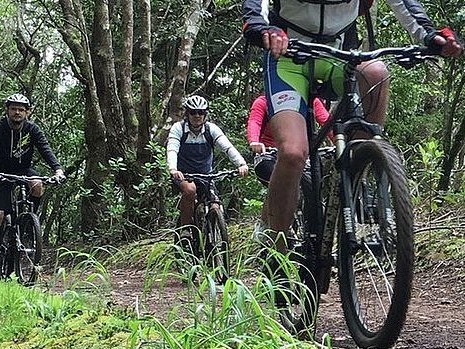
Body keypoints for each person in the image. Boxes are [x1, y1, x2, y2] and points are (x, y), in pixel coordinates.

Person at [242, 0, 462, 253]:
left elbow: (403, 3)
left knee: (376, 72)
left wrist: (431, 37)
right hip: (287, 57)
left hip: (339, 54)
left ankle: (359, 172)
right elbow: (254, 8)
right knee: (292, 153)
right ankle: (275, 252)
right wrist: (263, 29)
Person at [0, 93, 64, 276]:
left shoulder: (32, 129)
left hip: (23, 170)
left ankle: (28, 223)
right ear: (7, 110)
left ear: (27, 112)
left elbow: (45, 149)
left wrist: (57, 170)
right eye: (14, 109)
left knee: (38, 185)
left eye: (21, 110)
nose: (17, 112)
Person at [247, 94, 330, 240]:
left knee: (314, 185)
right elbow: (255, 122)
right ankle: (265, 225)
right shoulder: (264, 101)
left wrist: (340, 141)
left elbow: (327, 122)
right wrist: (254, 141)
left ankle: (311, 233)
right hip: (268, 154)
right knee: (280, 183)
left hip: (299, 155)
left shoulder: (310, 100)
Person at [167, 95, 249, 237]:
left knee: (215, 205)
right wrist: (173, 169)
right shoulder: (178, 129)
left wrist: (241, 163)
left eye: (201, 112)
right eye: (193, 112)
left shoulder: (211, 129)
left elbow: (227, 147)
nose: (197, 116)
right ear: (187, 114)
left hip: (206, 175)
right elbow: (172, 149)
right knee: (190, 190)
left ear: (205, 114)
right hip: (183, 175)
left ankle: (214, 236)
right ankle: (185, 230)